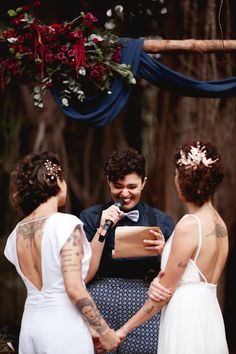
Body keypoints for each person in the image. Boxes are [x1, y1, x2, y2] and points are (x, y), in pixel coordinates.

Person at [116, 140, 229, 354]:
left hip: (186, 319)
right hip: (208, 316)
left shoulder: (189, 224)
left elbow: (161, 295)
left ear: (184, 180)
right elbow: (196, 271)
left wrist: (122, 331)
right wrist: (163, 252)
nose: (175, 179)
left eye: (176, 174)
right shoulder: (219, 225)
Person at [4, 151, 120, 354]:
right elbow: (75, 288)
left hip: (31, 326)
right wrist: (104, 331)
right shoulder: (65, 224)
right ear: (57, 181)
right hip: (63, 327)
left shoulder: (16, 234)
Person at [80, 147, 174, 354]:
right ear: (108, 182)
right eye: (117, 186)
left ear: (144, 182)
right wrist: (101, 230)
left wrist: (163, 251)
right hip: (99, 310)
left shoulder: (161, 221)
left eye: (132, 186)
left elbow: (175, 274)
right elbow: (83, 273)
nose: (124, 193)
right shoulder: (90, 217)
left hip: (144, 310)